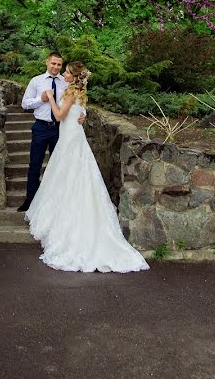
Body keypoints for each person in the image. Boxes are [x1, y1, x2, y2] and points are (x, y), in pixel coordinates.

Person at [25, 61, 150, 273]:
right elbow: (78, 113)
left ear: (74, 77)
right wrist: (82, 115)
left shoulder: (70, 93)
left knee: (68, 175)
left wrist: (52, 100)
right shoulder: (80, 92)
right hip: (74, 137)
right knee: (73, 176)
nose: (63, 73)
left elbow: (58, 116)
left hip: (70, 139)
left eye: (66, 72)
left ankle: (68, 221)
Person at [18, 52, 83, 212]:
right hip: (40, 127)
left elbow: (77, 100)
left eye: (59, 65)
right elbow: (25, 104)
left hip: (60, 129)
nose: (56, 67)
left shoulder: (67, 81)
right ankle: (30, 200)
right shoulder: (36, 81)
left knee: (60, 166)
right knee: (35, 165)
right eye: (53, 63)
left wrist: (83, 114)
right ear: (47, 62)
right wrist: (41, 99)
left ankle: (58, 201)